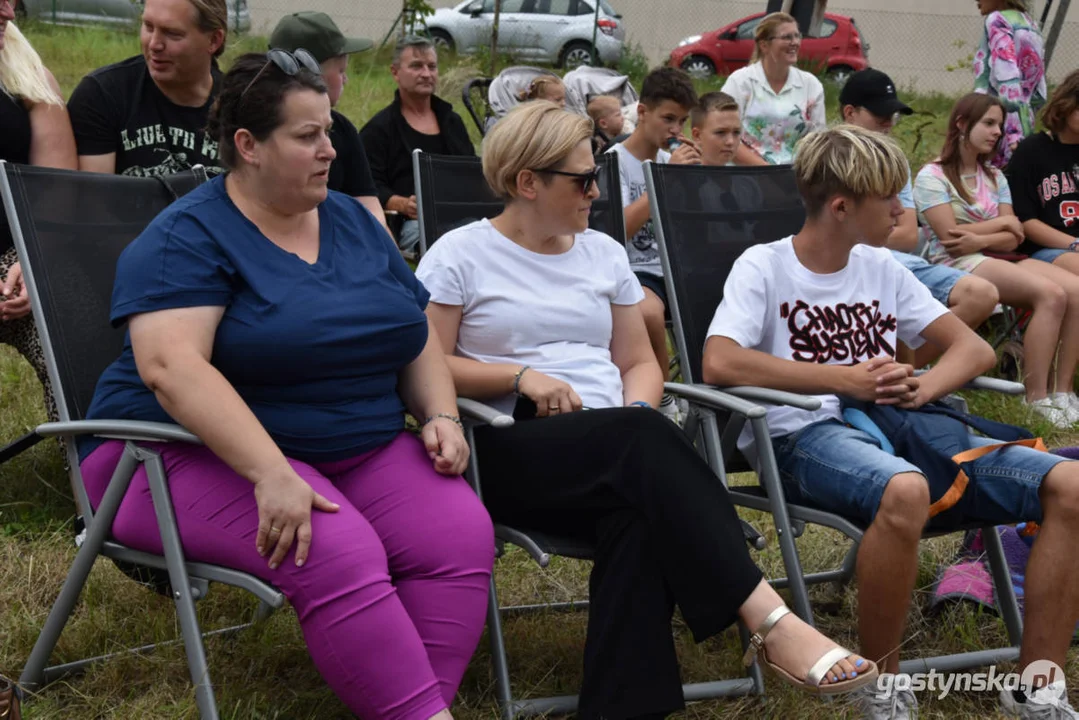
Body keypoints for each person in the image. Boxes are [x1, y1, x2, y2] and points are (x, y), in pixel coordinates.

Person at [416, 100, 879, 719]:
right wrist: (520, 376)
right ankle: (771, 619)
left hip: (614, 446)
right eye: (584, 179)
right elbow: (424, 362)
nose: (597, 190)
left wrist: (632, 412)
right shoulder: (460, 254)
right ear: (528, 182)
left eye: (599, 175)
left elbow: (640, 362)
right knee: (640, 454)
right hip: (507, 445)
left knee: (639, 518)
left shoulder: (602, 254)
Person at [77, 52, 494, 719]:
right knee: (330, 548)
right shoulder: (188, 237)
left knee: (458, 535)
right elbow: (171, 369)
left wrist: (439, 411)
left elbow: (411, 331)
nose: (330, 149)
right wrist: (270, 472)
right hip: (168, 454)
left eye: (328, 130)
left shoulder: (352, 220)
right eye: (307, 137)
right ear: (247, 146)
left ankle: (414, 703)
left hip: (350, 446)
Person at [703, 124, 1079, 720]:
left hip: (901, 426)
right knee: (905, 487)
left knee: (1069, 484)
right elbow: (719, 359)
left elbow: (973, 350)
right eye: (890, 200)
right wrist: (845, 379)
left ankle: (1037, 687)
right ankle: (883, 684)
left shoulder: (880, 266)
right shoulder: (766, 266)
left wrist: (920, 388)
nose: (903, 212)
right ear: (842, 206)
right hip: (802, 437)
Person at [915, 93, 1079, 427]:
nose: (997, 133)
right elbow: (951, 239)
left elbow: (1015, 235)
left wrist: (982, 235)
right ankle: (1036, 397)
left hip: (1001, 255)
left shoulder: (994, 176)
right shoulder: (932, 176)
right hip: (952, 263)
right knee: (1050, 294)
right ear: (962, 124)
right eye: (988, 123)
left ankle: (1063, 392)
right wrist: (999, 226)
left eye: (1000, 126)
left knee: (1074, 291)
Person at [840, 69, 999, 367]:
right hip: (852, 261)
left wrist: (861, 233)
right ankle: (893, 375)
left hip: (899, 261)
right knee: (883, 284)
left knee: (982, 294)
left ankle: (907, 373)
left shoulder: (895, 160)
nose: (889, 124)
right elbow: (826, 237)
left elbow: (908, 236)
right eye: (880, 116)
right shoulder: (826, 159)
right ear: (850, 112)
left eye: (893, 117)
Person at [0, 7, 77, 436]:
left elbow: (57, 187)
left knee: (71, 321)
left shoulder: (25, 74)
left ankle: (94, 471)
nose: (9, 10)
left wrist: (37, 264)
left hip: (15, 259)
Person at [608, 66, 699, 423]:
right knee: (646, 312)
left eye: (683, 121)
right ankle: (663, 400)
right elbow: (616, 232)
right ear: (642, 113)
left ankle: (712, 402)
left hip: (675, 268)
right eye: (668, 119)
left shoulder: (670, 160)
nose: (676, 130)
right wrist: (662, 183)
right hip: (634, 268)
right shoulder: (614, 162)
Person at [67, 0, 228, 177]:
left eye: (172, 33)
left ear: (214, 40)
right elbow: (94, 198)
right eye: (148, 27)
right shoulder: (102, 95)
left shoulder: (239, 106)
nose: (154, 44)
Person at [269, 10, 388, 233]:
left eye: (326, 132)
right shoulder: (265, 128)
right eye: (341, 70)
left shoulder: (343, 130)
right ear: (310, 72)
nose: (346, 79)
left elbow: (372, 213)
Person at [359, 36, 474, 254]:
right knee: (461, 244)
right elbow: (366, 184)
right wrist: (400, 203)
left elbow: (470, 170)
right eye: (416, 66)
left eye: (432, 67)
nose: (426, 74)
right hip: (411, 224)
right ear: (395, 72)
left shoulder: (452, 122)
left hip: (462, 216)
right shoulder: (379, 130)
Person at [720, 11, 825, 167]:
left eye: (797, 36)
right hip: (745, 174)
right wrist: (766, 172)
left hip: (793, 175)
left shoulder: (811, 84)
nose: (795, 42)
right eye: (787, 37)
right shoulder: (740, 82)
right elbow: (724, 135)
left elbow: (818, 139)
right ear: (764, 45)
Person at [1006, 70, 1079, 273]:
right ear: (1065, 105)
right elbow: (1025, 221)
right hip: (1047, 250)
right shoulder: (1032, 151)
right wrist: (1075, 244)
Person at [973, 0, 1046, 168]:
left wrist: (1012, 131)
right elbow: (1040, 93)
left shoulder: (997, 20)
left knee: (990, 180)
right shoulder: (1031, 24)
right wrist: (1024, 119)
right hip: (1026, 119)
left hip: (996, 120)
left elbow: (1006, 72)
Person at [691, 91, 742, 167]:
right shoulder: (679, 176)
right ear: (697, 135)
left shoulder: (744, 178)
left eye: (736, 132)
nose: (730, 141)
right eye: (720, 132)